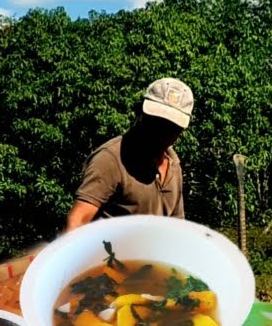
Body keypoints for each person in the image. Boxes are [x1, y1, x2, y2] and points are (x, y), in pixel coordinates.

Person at [64, 78, 194, 231]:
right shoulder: (111, 159)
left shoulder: (173, 165)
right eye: (155, 122)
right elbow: (77, 221)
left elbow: (176, 228)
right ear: (140, 114)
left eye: (171, 127)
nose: (161, 132)